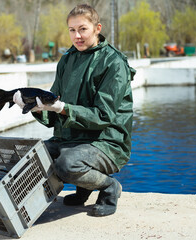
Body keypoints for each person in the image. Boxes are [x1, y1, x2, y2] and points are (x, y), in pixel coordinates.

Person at [13, 3, 135, 217]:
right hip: (69, 139)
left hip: (106, 142)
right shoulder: (67, 59)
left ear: (98, 28)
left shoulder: (114, 63)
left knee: (67, 164)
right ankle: (84, 187)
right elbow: (52, 111)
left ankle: (108, 187)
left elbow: (102, 116)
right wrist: (33, 107)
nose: (77, 36)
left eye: (83, 29)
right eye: (72, 30)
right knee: (29, 157)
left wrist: (64, 108)